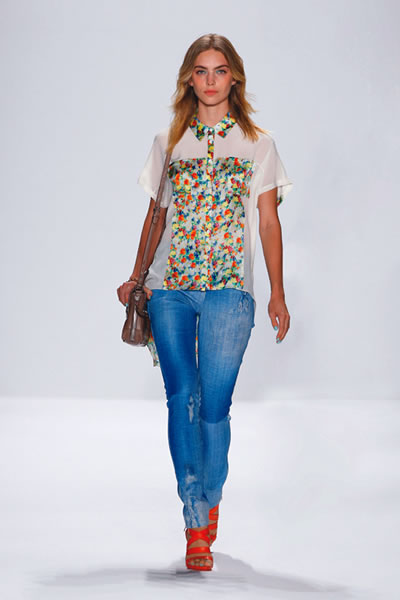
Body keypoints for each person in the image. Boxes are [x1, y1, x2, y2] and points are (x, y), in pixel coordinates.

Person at [117, 33, 293, 571]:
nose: (210, 80)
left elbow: (268, 221)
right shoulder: (169, 141)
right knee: (182, 399)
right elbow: (156, 216)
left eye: (219, 70)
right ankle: (194, 518)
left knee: (215, 406)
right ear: (188, 79)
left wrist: (277, 292)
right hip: (169, 286)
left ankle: (210, 497)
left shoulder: (258, 143)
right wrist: (137, 276)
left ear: (233, 77)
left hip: (229, 290)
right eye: (201, 70)